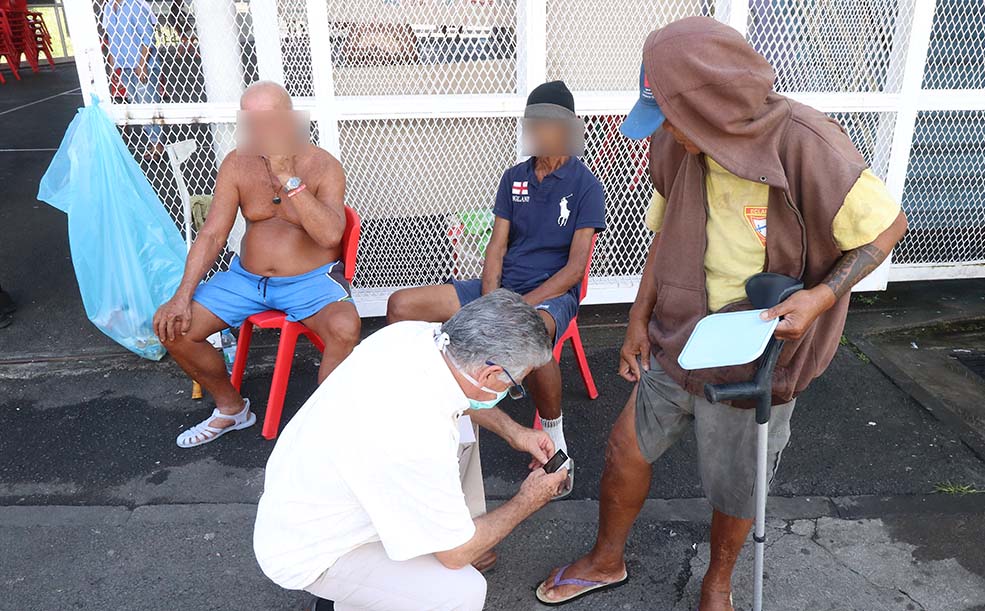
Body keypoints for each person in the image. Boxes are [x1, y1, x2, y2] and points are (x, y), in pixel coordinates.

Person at [536, 17, 908, 609]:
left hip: (760, 346)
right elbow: (662, 236)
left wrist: (819, 298)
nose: (667, 133)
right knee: (624, 448)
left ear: (712, 107)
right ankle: (606, 559)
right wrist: (637, 319)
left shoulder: (807, 144)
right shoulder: (675, 143)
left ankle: (718, 582)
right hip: (679, 335)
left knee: (739, 482)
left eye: (674, 119)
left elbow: (886, 229)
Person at [253, 289, 569, 611]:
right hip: (313, 549)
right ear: (488, 374)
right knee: (460, 591)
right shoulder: (419, 435)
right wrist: (530, 498)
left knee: (463, 430)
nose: (510, 391)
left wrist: (515, 432)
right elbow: (456, 553)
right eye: (514, 386)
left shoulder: (412, 337)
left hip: (305, 495)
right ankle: (345, 597)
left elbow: (461, 390)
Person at [386, 80, 606, 498]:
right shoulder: (514, 178)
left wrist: (517, 306)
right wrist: (492, 300)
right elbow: (497, 246)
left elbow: (575, 269)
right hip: (502, 287)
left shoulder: (585, 185)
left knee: (535, 337)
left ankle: (554, 436)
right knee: (401, 305)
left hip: (551, 294)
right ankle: (424, 400)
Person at [154, 81, 361, 448]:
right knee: (173, 328)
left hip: (310, 282)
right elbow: (212, 234)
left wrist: (288, 178)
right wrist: (182, 295)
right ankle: (232, 408)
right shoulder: (237, 163)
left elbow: (331, 235)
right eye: (251, 121)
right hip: (247, 281)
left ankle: (323, 428)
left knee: (345, 328)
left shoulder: (324, 165)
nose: (258, 131)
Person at [101, 0, 163, 158]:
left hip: (144, 65)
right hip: (124, 65)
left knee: (147, 103)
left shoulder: (135, 6)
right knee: (136, 104)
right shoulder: (108, 8)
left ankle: (157, 144)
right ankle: (153, 141)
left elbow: (148, 38)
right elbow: (111, 39)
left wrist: (142, 64)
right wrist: (112, 66)